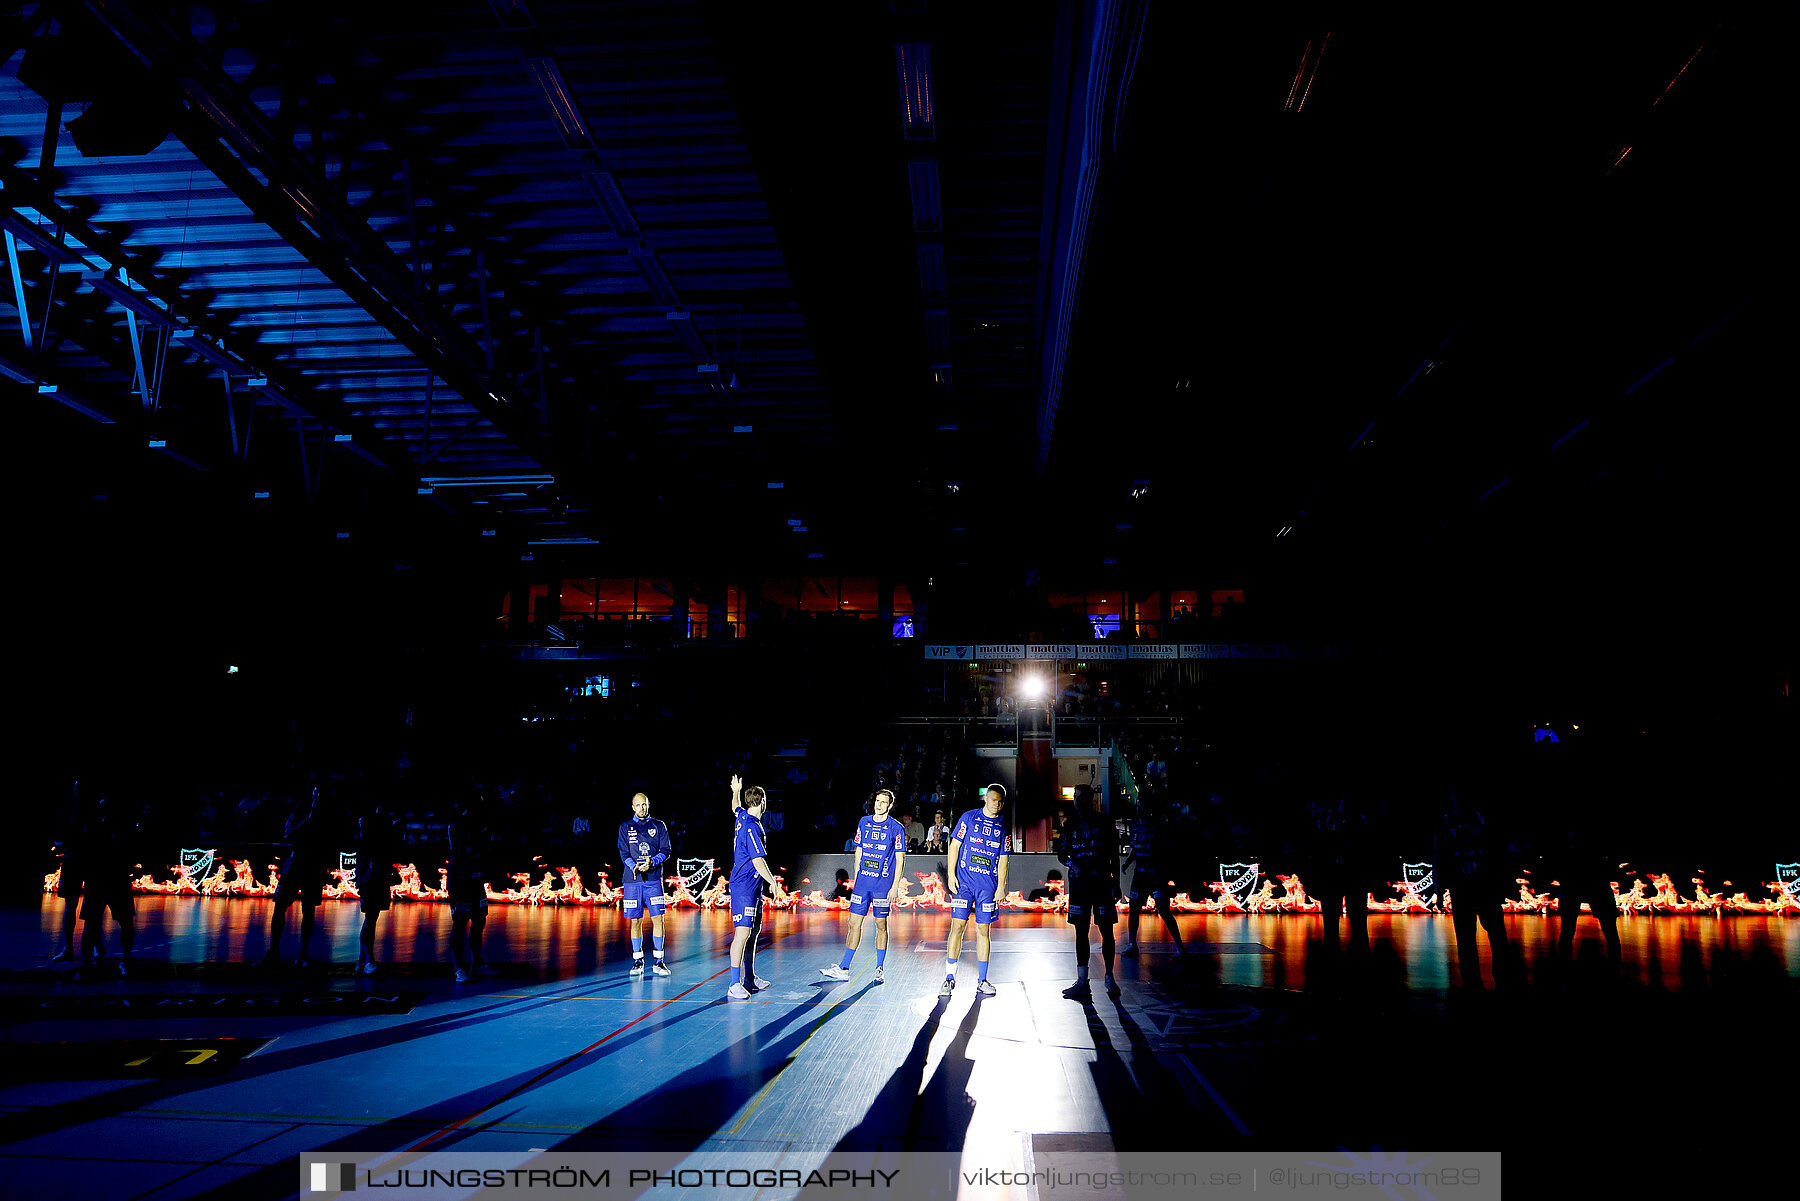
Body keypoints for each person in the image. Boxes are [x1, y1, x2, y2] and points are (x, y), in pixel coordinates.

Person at [821, 789, 907, 983]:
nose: (879, 805)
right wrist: (858, 874)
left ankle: (879, 968)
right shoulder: (864, 822)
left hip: (882, 885)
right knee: (853, 924)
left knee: (880, 924)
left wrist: (894, 887)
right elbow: (858, 849)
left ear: (890, 805)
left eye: (884, 802)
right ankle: (844, 967)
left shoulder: (896, 828)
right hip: (862, 884)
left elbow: (900, 859)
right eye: (877, 801)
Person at [1436, 785, 1515, 991]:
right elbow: (1441, 857)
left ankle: (1502, 979)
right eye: (1454, 793)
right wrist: (1439, 889)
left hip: (1484, 885)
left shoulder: (1482, 819)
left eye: (1459, 793)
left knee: (1495, 935)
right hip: (1462, 887)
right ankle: (1473, 984)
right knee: (1466, 938)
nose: (1457, 798)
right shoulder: (1446, 822)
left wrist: (1504, 883)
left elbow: (1499, 851)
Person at [941, 784, 1009, 996]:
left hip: (987, 887)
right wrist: (951, 875)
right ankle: (949, 978)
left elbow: (1004, 859)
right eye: (992, 799)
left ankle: (982, 980)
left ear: (1002, 803)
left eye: (999, 801)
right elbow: (954, 846)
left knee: (983, 931)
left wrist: (1000, 887)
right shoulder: (968, 818)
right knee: (958, 927)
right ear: (985, 799)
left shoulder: (1003, 825)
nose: (995, 804)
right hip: (964, 884)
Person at [261, 786, 334, 968]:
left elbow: (330, 844)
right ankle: (274, 951)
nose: (317, 796)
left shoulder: (328, 816)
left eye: (321, 793)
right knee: (280, 907)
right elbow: (288, 834)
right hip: (293, 867)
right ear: (311, 794)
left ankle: (302, 953)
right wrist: (309, 820)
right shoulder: (300, 811)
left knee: (308, 911)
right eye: (315, 792)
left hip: (314, 869)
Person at [1060, 785, 1121, 997]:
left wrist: (1117, 883)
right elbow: (1061, 854)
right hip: (1079, 886)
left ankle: (1110, 977)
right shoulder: (1069, 824)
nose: (1078, 801)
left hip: (1102, 883)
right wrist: (1072, 864)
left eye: (1082, 797)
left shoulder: (1104, 822)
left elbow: (1114, 854)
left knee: (1107, 932)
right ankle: (1081, 981)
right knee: (1080, 932)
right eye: (1076, 797)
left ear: (1091, 799)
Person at [727, 775, 779, 999]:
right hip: (744, 888)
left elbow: (734, 807)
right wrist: (773, 882)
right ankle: (733, 983)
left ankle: (749, 978)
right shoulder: (751, 827)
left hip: (753, 888)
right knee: (742, 933)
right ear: (762, 801)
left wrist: (735, 791)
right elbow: (758, 861)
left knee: (753, 932)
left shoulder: (742, 816)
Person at [76, 793, 136, 981]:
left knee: (119, 922)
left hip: (111, 880)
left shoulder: (120, 831)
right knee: (95, 924)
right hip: (103, 881)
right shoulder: (94, 830)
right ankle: (89, 964)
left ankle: (123, 960)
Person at [1121, 795, 1187, 959]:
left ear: (1149, 809)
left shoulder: (1158, 827)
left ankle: (1180, 947)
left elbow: (1165, 851)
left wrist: (1162, 870)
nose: (1140, 809)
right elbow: (1135, 849)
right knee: (1134, 909)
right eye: (1138, 806)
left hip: (1156, 875)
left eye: (1143, 806)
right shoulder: (1134, 826)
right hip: (1140, 874)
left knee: (1164, 910)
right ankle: (1132, 944)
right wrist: (1127, 863)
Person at [618, 792, 673, 977]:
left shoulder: (659, 826)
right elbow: (624, 853)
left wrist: (652, 862)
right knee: (635, 921)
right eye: (638, 805)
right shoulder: (625, 827)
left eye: (645, 804)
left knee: (658, 919)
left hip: (653, 880)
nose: (642, 807)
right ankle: (637, 961)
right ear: (633, 807)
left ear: (649, 805)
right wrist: (635, 867)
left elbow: (666, 851)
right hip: (632, 881)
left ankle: (659, 961)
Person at [447, 797, 497, 983]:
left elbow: (489, 849)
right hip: (460, 881)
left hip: (476, 879)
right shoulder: (456, 826)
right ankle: (458, 967)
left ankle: (477, 964)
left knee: (479, 920)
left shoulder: (481, 825)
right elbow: (459, 853)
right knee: (460, 923)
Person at [354, 800, 400, 975]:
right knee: (371, 918)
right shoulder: (369, 823)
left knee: (371, 918)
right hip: (369, 877)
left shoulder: (382, 825)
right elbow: (373, 849)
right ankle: (368, 960)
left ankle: (361, 959)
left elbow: (382, 852)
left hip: (377, 875)